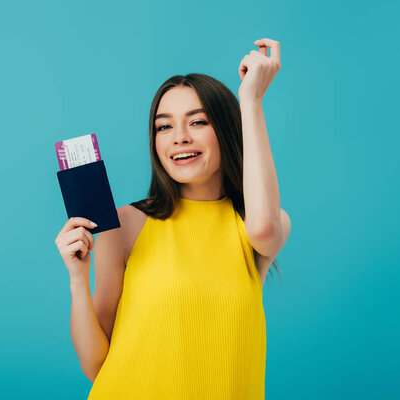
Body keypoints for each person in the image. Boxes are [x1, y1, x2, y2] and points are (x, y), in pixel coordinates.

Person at [54, 38, 291, 399]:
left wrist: (251, 101)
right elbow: (96, 367)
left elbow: (264, 228)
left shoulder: (256, 224)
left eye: (197, 122)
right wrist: (76, 279)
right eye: (164, 127)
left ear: (226, 130)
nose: (179, 138)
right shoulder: (127, 224)